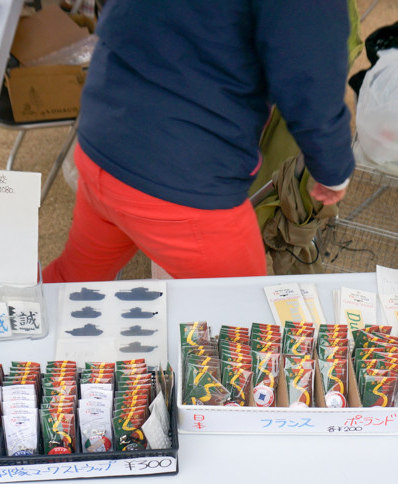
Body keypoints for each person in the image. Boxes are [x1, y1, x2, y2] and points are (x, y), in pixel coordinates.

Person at [41, 0, 355, 283]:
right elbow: (310, 78)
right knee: (242, 317)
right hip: (186, 179)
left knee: (72, 283)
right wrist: (332, 170)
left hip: (104, 134)